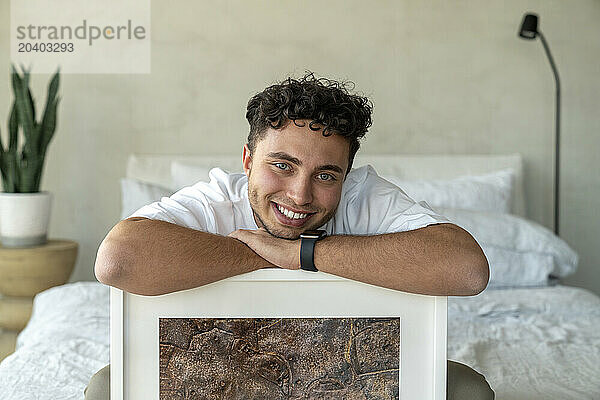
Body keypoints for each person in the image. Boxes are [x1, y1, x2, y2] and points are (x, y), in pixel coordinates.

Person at [89, 72, 494, 399]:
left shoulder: (365, 196)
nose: (300, 195)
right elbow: (117, 260)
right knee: (107, 387)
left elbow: (467, 270)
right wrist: (263, 252)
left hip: (347, 371)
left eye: (325, 175)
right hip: (221, 367)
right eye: (282, 165)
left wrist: (301, 253)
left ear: (345, 177)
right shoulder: (214, 201)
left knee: (469, 391)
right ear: (247, 160)